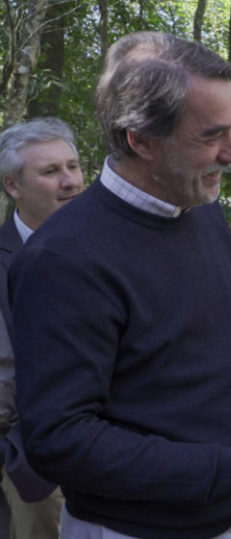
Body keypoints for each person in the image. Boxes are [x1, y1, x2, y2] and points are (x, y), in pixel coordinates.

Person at [9, 32, 231, 539]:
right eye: (211, 135)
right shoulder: (62, 258)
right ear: (141, 139)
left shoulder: (203, 209)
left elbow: (229, 315)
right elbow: (59, 440)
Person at [0, 117, 84, 539]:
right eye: (50, 172)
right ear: (13, 186)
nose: (69, 181)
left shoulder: (108, 248)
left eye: (72, 166)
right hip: (30, 466)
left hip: (120, 459)